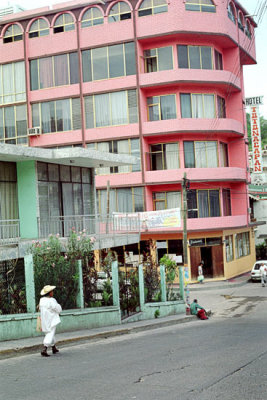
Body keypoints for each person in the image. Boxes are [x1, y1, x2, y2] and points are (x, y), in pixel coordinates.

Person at [39, 285, 62, 357]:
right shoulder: (52, 300)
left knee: (49, 333)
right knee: (50, 333)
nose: (53, 293)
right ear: (49, 293)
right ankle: (44, 348)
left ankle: (53, 347)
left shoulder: (42, 300)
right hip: (51, 319)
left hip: (44, 319)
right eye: (52, 291)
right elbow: (58, 308)